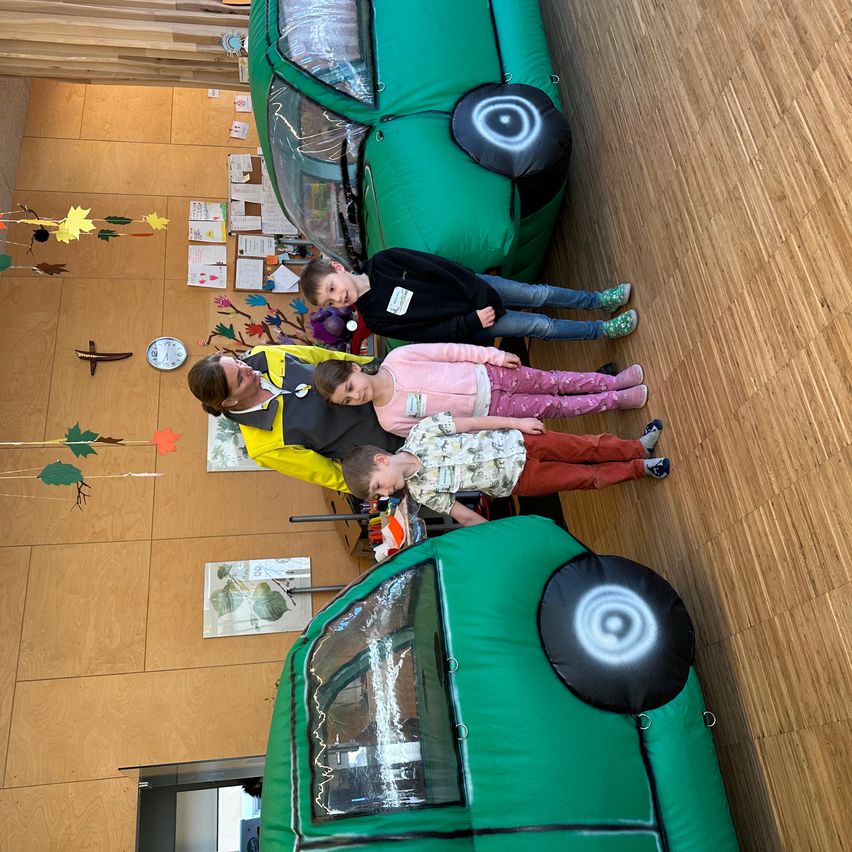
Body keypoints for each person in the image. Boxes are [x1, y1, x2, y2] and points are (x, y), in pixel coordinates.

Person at [341, 413, 669, 526]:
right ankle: (641, 468)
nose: (386, 494)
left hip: (520, 442)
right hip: (518, 480)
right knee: (586, 477)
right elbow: (465, 515)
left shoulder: (423, 432)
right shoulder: (423, 492)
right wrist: (495, 535)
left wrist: (517, 422)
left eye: (378, 487)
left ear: (381, 461)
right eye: (379, 495)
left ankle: (637, 447)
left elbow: (472, 422)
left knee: (586, 446)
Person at [299, 247, 637, 343]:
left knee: (538, 294)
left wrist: (479, 294)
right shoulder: (376, 320)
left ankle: (598, 301)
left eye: (331, 288)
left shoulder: (385, 262)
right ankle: (601, 331)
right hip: (478, 322)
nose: (337, 298)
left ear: (337, 268)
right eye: (329, 303)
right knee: (540, 327)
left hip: (477, 288)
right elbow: (430, 333)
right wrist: (472, 320)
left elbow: (442, 268)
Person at [187, 345, 401, 492]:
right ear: (230, 402)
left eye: (237, 362)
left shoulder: (263, 356)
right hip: (394, 439)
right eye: (240, 378)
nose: (248, 368)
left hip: (392, 389)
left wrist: (375, 366)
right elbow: (333, 476)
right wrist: (382, 481)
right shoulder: (264, 446)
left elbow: (324, 357)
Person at [312, 342, 648, 436]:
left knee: (553, 380)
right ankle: (615, 401)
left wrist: (494, 355)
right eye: (348, 399)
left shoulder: (399, 358)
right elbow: (450, 430)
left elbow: (449, 351)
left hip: (490, 376)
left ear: (354, 368)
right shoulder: (390, 421)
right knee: (554, 408)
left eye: (351, 387)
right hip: (491, 412)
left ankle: (612, 383)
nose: (357, 396)